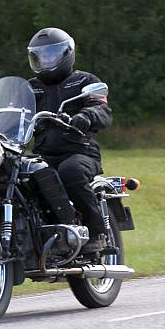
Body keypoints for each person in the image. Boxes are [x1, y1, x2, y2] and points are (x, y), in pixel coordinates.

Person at [27, 27, 112, 253]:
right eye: (41, 56)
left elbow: (102, 109)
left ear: (66, 54)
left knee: (70, 173)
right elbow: (12, 110)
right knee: (16, 176)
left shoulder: (84, 81)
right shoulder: (30, 88)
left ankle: (97, 233)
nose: (46, 61)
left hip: (80, 152)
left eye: (51, 55)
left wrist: (85, 116)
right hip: (43, 155)